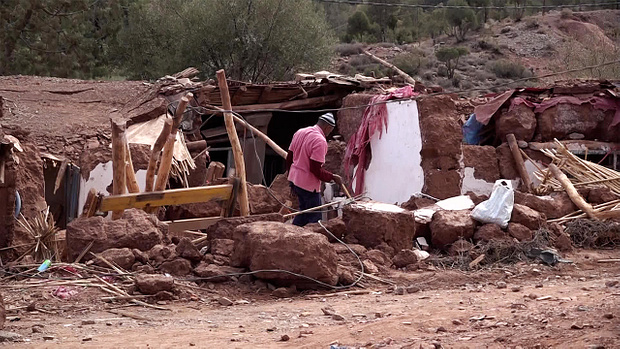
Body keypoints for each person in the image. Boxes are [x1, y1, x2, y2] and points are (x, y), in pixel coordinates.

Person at [286, 112, 343, 227]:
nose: (329, 133)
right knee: (314, 218)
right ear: (328, 127)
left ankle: (292, 233)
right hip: (308, 185)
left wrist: (290, 181)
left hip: (295, 179)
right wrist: (332, 177)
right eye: (330, 130)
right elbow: (315, 169)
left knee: (303, 212)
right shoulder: (320, 141)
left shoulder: (300, 132)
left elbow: (289, 158)